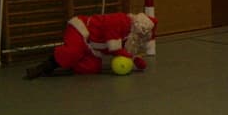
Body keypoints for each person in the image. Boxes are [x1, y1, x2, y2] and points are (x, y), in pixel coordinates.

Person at [25, 12, 156, 78]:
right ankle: (45, 66)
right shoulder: (120, 21)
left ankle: (71, 61)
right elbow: (115, 48)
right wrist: (126, 55)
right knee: (73, 51)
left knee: (92, 68)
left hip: (93, 49)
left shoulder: (129, 36)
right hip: (81, 31)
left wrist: (136, 60)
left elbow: (126, 51)